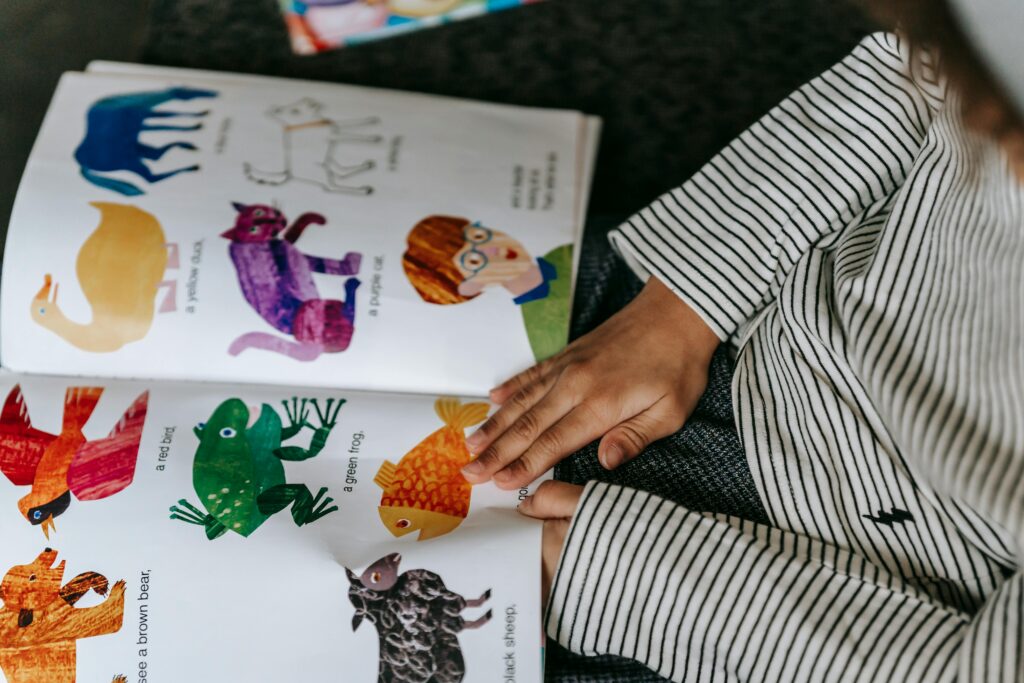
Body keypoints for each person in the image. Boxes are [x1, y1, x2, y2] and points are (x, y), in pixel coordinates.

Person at [461, 0, 1024, 679]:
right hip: (757, 299)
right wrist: (682, 305)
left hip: (812, 600)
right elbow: (916, 69)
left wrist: (632, 578)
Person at [402, 214, 573, 360]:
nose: (492, 250)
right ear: (470, 287)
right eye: (474, 260)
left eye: (479, 236)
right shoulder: (536, 329)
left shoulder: (566, 253)